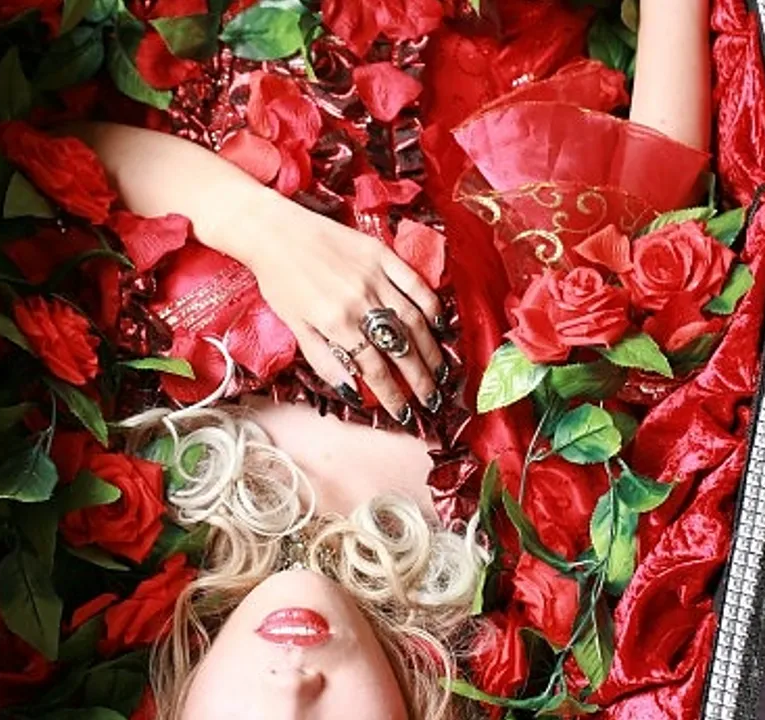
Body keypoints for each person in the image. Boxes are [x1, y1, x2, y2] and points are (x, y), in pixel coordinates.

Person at [68, 0, 713, 717]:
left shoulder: (129, 484)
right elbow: (641, 220)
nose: (293, 690)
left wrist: (261, 228)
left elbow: (63, 161)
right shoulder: (515, 522)